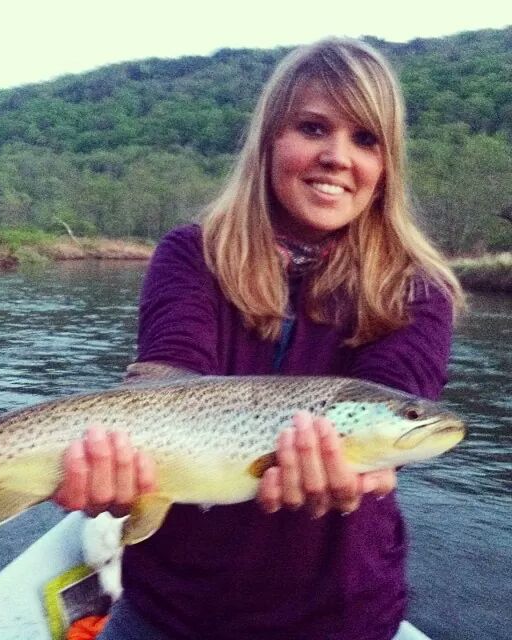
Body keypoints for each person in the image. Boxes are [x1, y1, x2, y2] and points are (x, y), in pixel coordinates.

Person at [53, 37, 464, 640]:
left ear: (386, 166)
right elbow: (169, 375)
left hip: (338, 619)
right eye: (312, 128)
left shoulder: (419, 288)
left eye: (365, 139)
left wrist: (376, 462)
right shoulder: (191, 254)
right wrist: (109, 470)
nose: (337, 157)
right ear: (269, 139)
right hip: (169, 611)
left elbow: (392, 397)